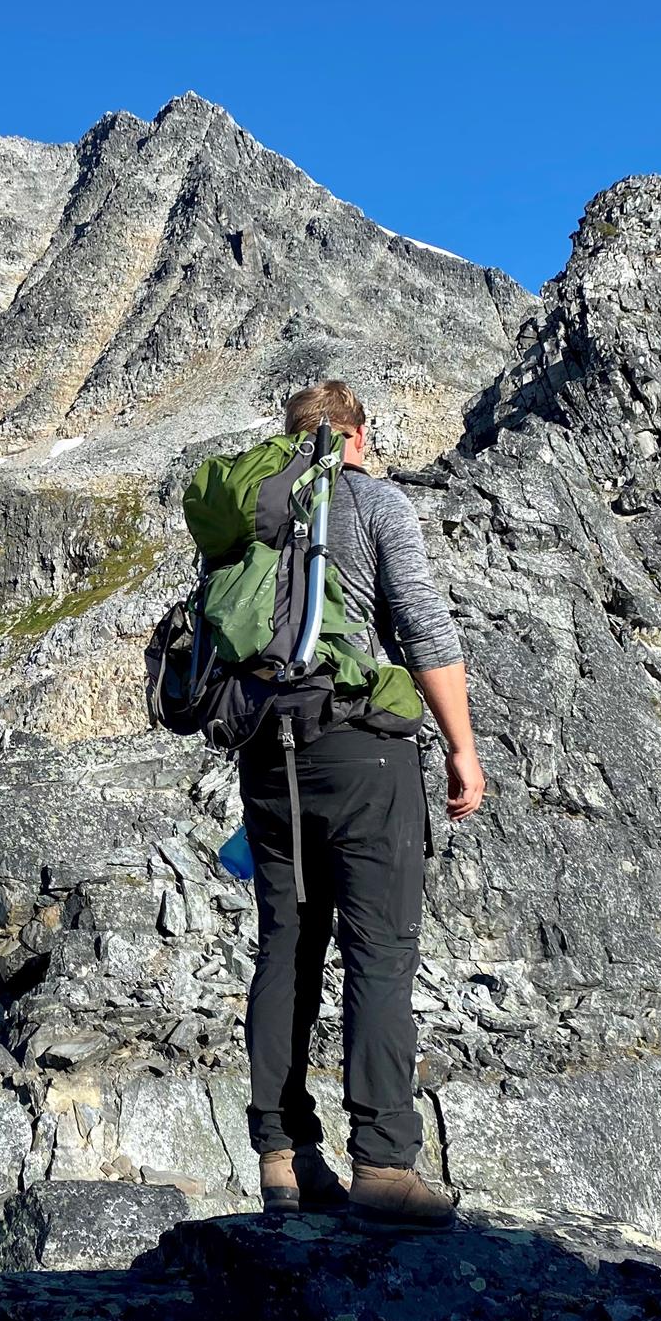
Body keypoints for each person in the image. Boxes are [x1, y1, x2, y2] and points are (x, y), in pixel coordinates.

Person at [241, 379, 485, 1228]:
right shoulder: (375, 503)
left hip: (269, 755)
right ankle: (382, 1164)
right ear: (356, 434)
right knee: (379, 951)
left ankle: (281, 1156)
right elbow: (421, 624)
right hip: (362, 750)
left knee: (287, 946)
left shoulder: (255, 514)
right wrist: (460, 746)